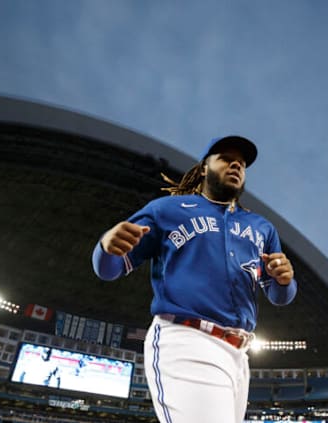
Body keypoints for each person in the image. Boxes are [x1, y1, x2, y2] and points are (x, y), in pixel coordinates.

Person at [92, 135, 297, 423]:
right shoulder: (167, 210)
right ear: (203, 168)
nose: (236, 164)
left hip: (239, 356)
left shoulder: (261, 227)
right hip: (187, 340)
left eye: (242, 162)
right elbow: (109, 269)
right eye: (226, 158)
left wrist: (285, 281)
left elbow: (279, 296)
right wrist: (105, 246)